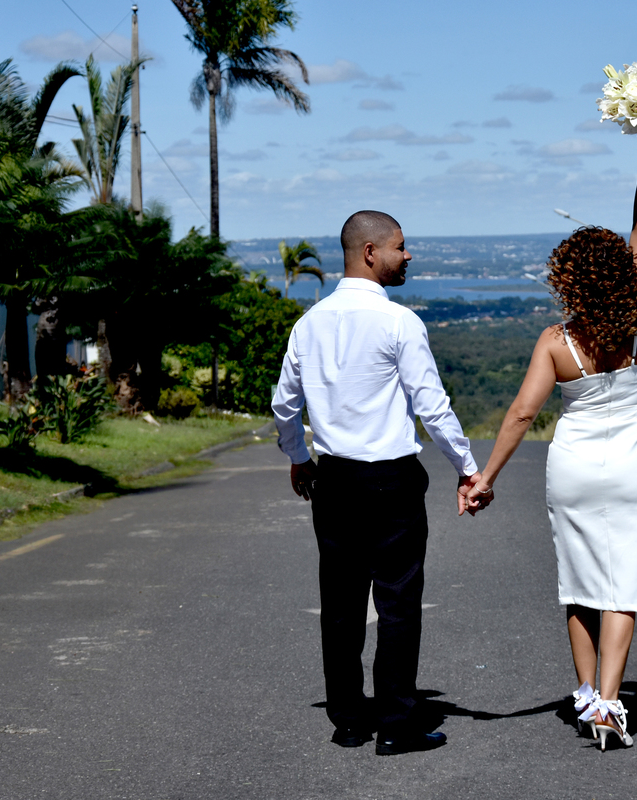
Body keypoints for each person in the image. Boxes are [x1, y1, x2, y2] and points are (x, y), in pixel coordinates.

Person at [465, 131, 637, 750]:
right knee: (623, 587)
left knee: (579, 583)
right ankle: (608, 701)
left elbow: (523, 415)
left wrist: (485, 478)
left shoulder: (558, 341)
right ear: (626, 275)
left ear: (570, 279)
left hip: (574, 469)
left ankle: (585, 694)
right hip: (635, 470)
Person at [271, 210, 486, 756]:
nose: (407, 255)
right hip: (391, 482)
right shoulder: (400, 323)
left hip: (335, 479)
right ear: (370, 252)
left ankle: (347, 720)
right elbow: (431, 408)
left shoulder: (309, 323)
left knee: (340, 604)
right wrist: (466, 467)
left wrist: (299, 457)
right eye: (400, 246)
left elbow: (284, 405)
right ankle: (395, 723)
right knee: (397, 603)